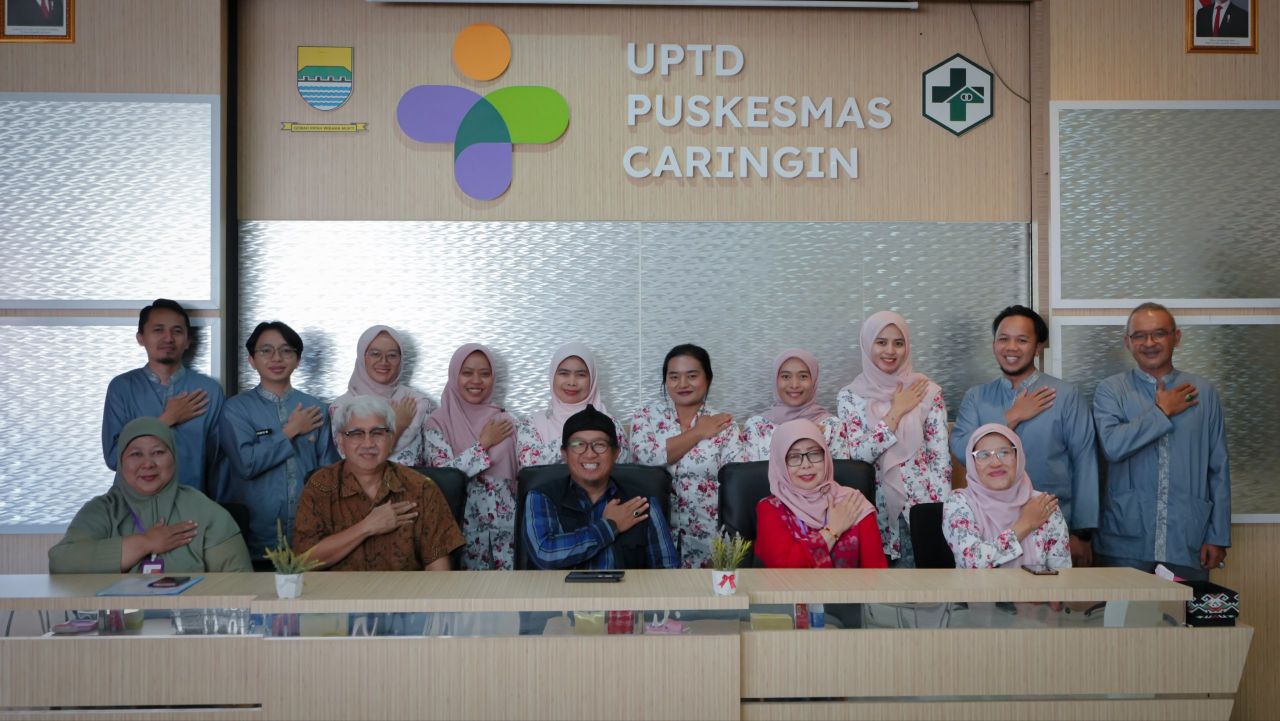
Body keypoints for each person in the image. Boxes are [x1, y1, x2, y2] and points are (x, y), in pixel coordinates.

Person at [950, 306, 1099, 566]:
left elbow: (1084, 461)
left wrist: (1082, 533)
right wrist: (1011, 417)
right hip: (987, 532)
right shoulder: (977, 397)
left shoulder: (1065, 396)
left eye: (1022, 340)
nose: (1011, 347)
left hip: (1051, 527)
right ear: (994, 345)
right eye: (1003, 339)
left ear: (1038, 347)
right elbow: (963, 450)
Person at [1092, 303, 1230, 582]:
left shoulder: (1201, 392)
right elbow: (1113, 446)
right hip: (1125, 537)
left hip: (1187, 536)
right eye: (1139, 336)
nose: (1149, 343)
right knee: (1122, 610)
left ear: (1176, 337)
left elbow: (1218, 467)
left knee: (1182, 610)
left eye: (1159, 334)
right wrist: (1161, 411)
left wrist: (1218, 534)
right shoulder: (1111, 390)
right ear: (1127, 342)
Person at [50, 417, 252, 573]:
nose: (147, 464)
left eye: (158, 453)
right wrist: (146, 543)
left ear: (174, 458)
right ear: (121, 462)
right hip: (118, 616)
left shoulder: (204, 511)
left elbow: (239, 584)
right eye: (136, 454)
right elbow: (61, 561)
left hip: (189, 615)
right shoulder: (103, 510)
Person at [293, 395, 464, 571]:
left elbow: (439, 569)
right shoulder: (321, 486)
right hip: (337, 589)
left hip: (404, 589)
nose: (368, 443)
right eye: (356, 434)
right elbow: (303, 561)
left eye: (377, 433)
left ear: (391, 439)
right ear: (341, 441)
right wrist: (367, 527)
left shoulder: (421, 488)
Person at [219, 321, 340, 565]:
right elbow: (246, 464)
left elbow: (328, 473)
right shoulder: (236, 409)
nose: (276, 358)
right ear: (252, 360)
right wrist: (291, 431)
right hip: (255, 539)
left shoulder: (316, 408)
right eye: (266, 351)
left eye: (286, 351)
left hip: (311, 538)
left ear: (298, 360)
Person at [837, 311, 950, 567]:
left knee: (926, 586)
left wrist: (940, 513)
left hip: (921, 507)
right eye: (881, 342)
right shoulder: (850, 397)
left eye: (898, 343)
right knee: (878, 588)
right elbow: (858, 457)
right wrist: (896, 412)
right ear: (867, 345)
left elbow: (940, 461)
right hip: (872, 509)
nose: (890, 351)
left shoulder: (927, 391)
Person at [524, 405, 678, 570]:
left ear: (616, 453)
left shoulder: (641, 501)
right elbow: (545, 554)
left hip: (629, 588)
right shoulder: (541, 497)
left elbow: (668, 569)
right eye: (578, 444)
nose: (590, 454)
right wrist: (611, 525)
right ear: (564, 454)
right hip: (559, 588)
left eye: (600, 445)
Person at [629, 343, 742, 568]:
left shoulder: (724, 425)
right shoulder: (646, 418)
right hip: (654, 536)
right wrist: (698, 431)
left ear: (708, 378)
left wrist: (726, 545)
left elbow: (736, 489)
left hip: (711, 540)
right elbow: (646, 460)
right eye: (674, 377)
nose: (683, 384)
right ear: (665, 381)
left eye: (692, 376)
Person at [103, 299, 225, 496]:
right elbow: (112, 458)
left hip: (191, 505)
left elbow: (219, 463)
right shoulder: (122, 387)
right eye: (158, 330)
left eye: (177, 331)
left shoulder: (208, 390)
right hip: (132, 506)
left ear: (188, 340)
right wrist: (166, 420)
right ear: (141, 338)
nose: (168, 338)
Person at [422, 343, 518, 570]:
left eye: (484, 374)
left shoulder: (506, 420)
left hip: (507, 532)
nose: (476, 381)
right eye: (467, 373)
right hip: (460, 529)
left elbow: (521, 476)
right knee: (465, 592)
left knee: (512, 591)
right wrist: (484, 443)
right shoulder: (437, 422)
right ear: (454, 375)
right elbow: (443, 479)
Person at [755, 419, 887, 569]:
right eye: (793, 457)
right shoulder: (770, 509)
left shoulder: (853, 503)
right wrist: (832, 530)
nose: (806, 465)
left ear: (826, 456)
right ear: (780, 464)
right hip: (791, 586)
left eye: (814, 453)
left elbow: (875, 573)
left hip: (851, 586)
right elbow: (784, 568)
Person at [943, 424, 1071, 570]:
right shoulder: (959, 504)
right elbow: (972, 562)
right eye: (983, 455)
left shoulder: (1043, 505)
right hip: (977, 586)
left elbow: (1062, 574)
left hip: (1035, 586)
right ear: (972, 463)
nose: (996, 463)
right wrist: (1025, 524)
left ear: (1018, 457)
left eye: (1004, 453)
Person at [331, 325, 437, 467]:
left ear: (401, 359)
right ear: (362, 357)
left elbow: (433, 462)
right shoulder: (342, 406)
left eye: (392, 355)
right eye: (375, 354)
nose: (384, 361)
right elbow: (355, 460)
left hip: (413, 481)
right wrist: (397, 426)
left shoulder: (417, 402)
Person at [515, 343, 629, 468]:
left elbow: (623, 469)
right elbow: (526, 464)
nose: (572, 382)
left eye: (581, 375)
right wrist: (578, 439)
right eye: (564, 373)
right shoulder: (533, 424)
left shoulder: (611, 423)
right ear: (553, 376)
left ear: (592, 379)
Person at [739, 349, 852, 462]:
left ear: (814, 380)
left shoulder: (832, 426)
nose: (794, 385)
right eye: (786, 376)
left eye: (803, 376)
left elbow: (841, 472)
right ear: (776, 380)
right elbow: (751, 472)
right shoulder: (757, 426)